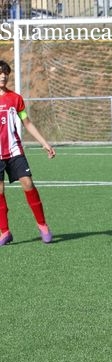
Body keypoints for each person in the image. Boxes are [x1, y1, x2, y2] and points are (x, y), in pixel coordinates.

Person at [0, 60, 56, 246]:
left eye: (6, 73)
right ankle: (5, 231)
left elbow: (27, 122)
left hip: (15, 151)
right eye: (0, 73)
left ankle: (43, 226)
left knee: (28, 183)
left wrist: (44, 143)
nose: (3, 76)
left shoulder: (16, 99)